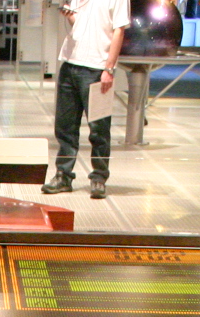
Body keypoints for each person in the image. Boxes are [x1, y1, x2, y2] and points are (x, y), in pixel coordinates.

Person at [41, 0, 129, 200]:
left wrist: (109, 68)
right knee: (65, 127)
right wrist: (70, 16)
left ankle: (99, 177)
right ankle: (63, 175)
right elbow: (81, 23)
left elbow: (119, 31)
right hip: (70, 62)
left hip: (97, 67)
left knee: (99, 128)